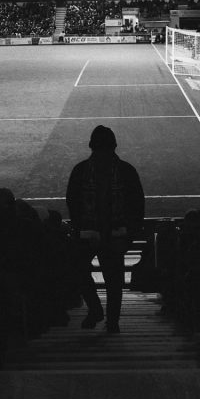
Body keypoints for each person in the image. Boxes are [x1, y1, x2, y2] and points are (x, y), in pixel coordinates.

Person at [66, 125, 145, 333]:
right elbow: (137, 204)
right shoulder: (125, 171)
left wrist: (81, 229)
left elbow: (72, 202)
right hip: (100, 233)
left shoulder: (81, 170)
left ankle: (104, 316)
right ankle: (105, 317)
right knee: (109, 279)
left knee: (107, 278)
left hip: (104, 233)